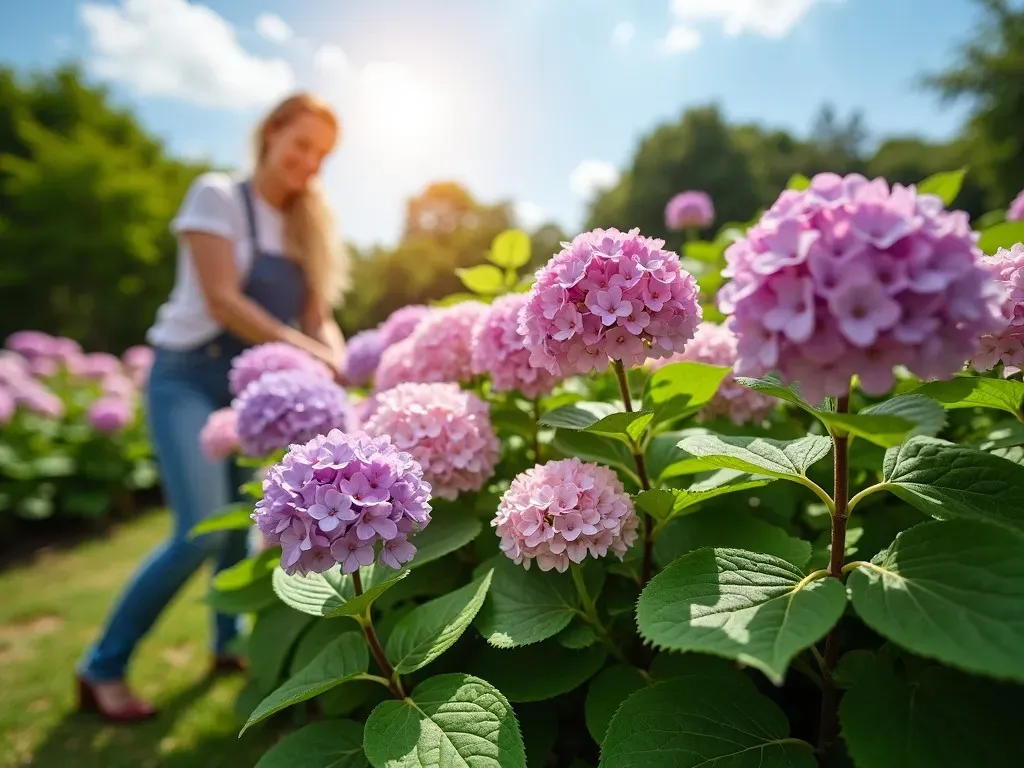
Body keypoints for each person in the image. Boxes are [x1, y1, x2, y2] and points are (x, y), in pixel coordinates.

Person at [77, 93, 349, 721]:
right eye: (302, 145)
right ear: (272, 132)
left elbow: (319, 316)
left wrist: (336, 361)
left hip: (245, 391)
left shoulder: (308, 225)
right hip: (187, 378)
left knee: (240, 520)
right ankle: (102, 667)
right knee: (199, 529)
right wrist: (312, 351)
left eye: (323, 156)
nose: (309, 163)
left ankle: (227, 645)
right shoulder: (217, 196)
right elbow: (226, 301)